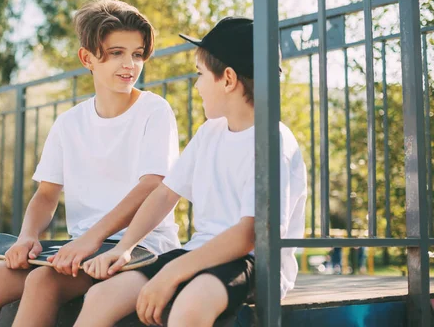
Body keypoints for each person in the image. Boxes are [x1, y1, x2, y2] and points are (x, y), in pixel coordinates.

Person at [0, 0, 181, 327]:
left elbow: (152, 184)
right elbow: (46, 194)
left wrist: (93, 238)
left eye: (137, 54)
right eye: (116, 53)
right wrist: (28, 235)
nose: (129, 63)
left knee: (43, 281)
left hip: (140, 248)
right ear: (87, 58)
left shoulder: (154, 111)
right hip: (82, 250)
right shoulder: (69, 123)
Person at [74, 17, 308, 327]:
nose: (196, 85)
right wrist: (124, 247)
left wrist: (172, 273)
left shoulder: (272, 141)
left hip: (254, 264)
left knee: (190, 305)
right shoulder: (210, 132)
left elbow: (249, 234)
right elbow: (166, 192)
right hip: (198, 253)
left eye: (200, 75)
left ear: (227, 79)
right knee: (101, 297)